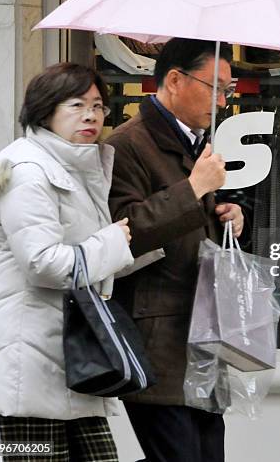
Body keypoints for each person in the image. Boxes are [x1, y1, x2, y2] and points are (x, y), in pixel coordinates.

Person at [106, 38, 244, 462]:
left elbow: (192, 229)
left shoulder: (198, 142)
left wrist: (231, 219)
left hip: (203, 336)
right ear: (174, 80)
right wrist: (195, 188)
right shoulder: (126, 144)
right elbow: (124, 234)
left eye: (229, 89)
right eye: (215, 87)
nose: (223, 98)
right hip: (157, 340)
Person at [0, 63, 135, 461]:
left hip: (74, 362)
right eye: (76, 104)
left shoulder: (74, 166)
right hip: (30, 370)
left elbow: (91, 254)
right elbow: (43, 263)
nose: (91, 115)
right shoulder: (26, 170)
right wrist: (111, 242)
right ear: (45, 110)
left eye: (98, 105)